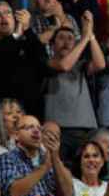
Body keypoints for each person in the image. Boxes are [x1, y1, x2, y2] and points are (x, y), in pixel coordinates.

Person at [0, 114, 74, 196]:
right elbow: (13, 194)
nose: (36, 131)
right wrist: (43, 168)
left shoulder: (51, 161)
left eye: (39, 128)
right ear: (16, 135)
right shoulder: (6, 159)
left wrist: (55, 157)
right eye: (29, 127)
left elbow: (68, 195)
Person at [43, 13, 105, 155]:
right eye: (61, 38)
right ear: (52, 45)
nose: (66, 41)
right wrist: (84, 38)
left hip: (86, 130)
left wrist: (91, 35)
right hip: (59, 130)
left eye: (70, 39)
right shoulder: (48, 63)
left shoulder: (80, 65)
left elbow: (100, 64)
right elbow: (65, 65)